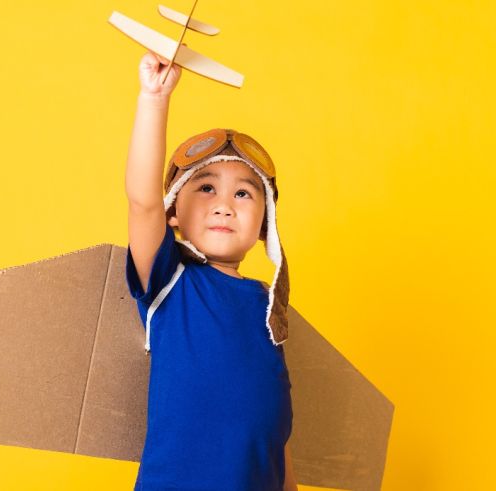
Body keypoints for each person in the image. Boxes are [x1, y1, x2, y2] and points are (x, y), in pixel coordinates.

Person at [124, 50, 298, 491]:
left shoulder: (268, 308)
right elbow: (142, 201)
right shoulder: (171, 281)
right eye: (205, 188)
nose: (223, 204)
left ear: (264, 224)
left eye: (244, 194)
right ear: (174, 213)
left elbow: (273, 430)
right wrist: (154, 99)